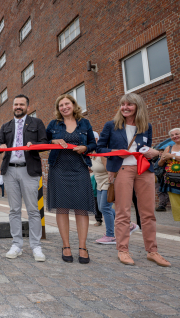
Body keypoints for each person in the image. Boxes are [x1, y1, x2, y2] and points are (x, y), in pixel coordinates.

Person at [97, 92, 170, 267]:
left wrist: (154, 153)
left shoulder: (146, 126)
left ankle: (152, 251)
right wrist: (115, 157)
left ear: (138, 107)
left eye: (129, 104)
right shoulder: (111, 125)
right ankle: (122, 250)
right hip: (122, 169)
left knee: (148, 213)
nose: (125, 107)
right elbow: (100, 148)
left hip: (144, 170)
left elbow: (147, 149)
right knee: (123, 212)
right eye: (123, 104)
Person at [0, 94, 48, 262]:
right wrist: (0, 146)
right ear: (13, 106)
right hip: (9, 171)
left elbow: (44, 143)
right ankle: (17, 244)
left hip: (29, 170)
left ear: (27, 107)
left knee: (33, 210)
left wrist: (36, 145)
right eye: (16, 104)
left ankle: (36, 246)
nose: (18, 107)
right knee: (14, 210)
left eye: (21, 104)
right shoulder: (6, 125)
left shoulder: (36, 123)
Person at [46, 94, 96, 264]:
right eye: (61, 105)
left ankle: (83, 247)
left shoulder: (85, 123)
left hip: (80, 168)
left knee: (81, 208)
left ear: (74, 105)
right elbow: (44, 140)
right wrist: (53, 140)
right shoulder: (54, 124)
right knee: (62, 208)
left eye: (67, 104)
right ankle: (66, 246)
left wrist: (86, 147)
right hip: (58, 169)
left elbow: (93, 144)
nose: (64, 107)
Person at [159, 128, 180, 229]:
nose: (175, 136)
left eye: (177, 134)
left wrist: (171, 156)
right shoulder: (168, 147)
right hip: (172, 181)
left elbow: (171, 157)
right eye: (172, 135)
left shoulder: (169, 152)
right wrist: (164, 158)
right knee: (176, 205)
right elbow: (160, 163)